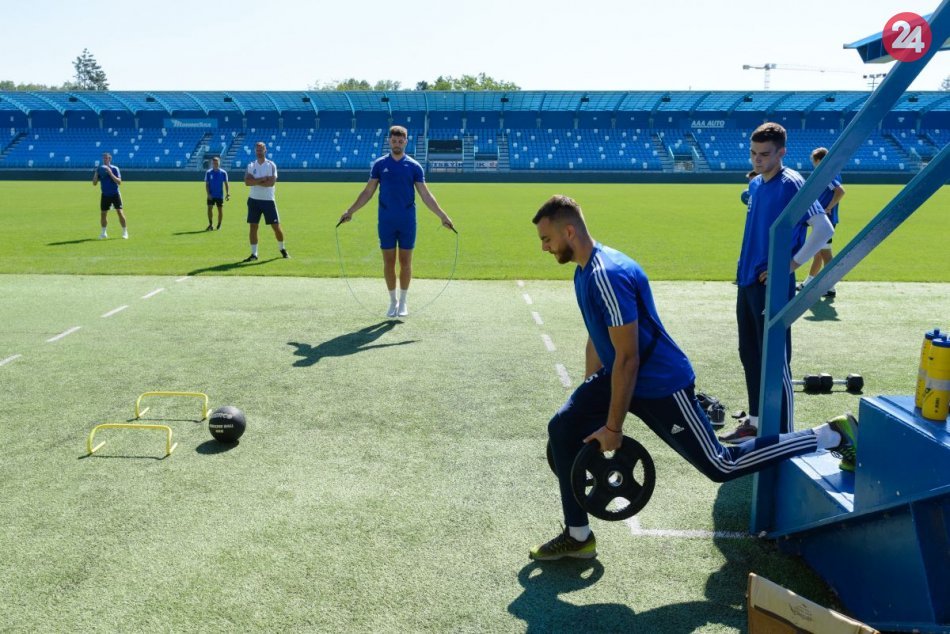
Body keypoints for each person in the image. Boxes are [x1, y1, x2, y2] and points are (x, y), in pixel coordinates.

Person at [528, 194, 857, 561]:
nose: (544, 247)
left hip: (661, 383)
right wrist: (592, 396)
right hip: (621, 373)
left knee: (720, 464)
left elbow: (629, 358)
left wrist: (614, 428)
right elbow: (597, 336)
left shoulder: (607, 275)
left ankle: (830, 434)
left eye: (547, 239)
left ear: (569, 232)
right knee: (563, 427)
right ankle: (578, 536)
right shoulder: (583, 271)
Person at [720, 123, 836, 444]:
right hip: (748, 281)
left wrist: (790, 265)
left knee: (775, 358)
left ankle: (784, 433)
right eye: (753, 153)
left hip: (772, 285)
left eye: (764, 154)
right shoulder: (756, 184)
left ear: (781, 152)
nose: (757, 159)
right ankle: (756, 422)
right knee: (749, 353)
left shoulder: (792, 183)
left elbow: (823, 229)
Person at [338, 125, 455, 317]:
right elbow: (368, 192)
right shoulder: (380, 164)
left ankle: (404, 302)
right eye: (394, 141)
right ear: (389, 141)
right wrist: (350, 211)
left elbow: (425, 194)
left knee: (406, 262)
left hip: (407, 220)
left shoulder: (414, 166)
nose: (397, 144)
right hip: (386, 221)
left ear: (406, 142)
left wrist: (443, 216)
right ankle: (393, 301)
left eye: (401, 141)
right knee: (389, 262)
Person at [797, 147, 845, 298]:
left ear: (818, 160)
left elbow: (840, 191)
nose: (813, 163)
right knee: (818, 251)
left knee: (825, 252)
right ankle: (809, 282)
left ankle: (830, 286)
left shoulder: (826, 174)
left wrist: (828, 208)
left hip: (826, 220)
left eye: (813, 160)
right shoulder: (831, 172)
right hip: (823, 219)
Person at [243, 142, 288, 261]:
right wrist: (262, 179)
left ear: (265, 150)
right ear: (255, 151)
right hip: (253, 200)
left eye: (261, 150)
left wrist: (255, 181)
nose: (259, 152)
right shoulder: (251, 165)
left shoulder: (271, 165)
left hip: (268, 201)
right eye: (257, 150)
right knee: (253, 227)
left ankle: (282, 249)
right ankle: (254, 254)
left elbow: (271, 183)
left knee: (276, 227)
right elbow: (247, 182)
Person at [92, 152, 128, 239]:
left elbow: (119, 182)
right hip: (105, 194)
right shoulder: (101, 169)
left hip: (115, 194)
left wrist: (110, 173)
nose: (104, 160)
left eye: (106, 158)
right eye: (103, 158)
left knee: (120, 212)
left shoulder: (115, 168)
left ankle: (125, 232)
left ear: (110, 159)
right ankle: (103, 233)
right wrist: (96, 173)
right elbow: (94, 183)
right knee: (103, 214)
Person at [205, 156, 230, 231]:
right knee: (209, 209)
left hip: (219, 195)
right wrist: (208, 194)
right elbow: (207, 184)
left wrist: (227, 193)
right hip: (211, 195)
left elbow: (226, 183)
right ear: (212, 163)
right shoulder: (208, 172)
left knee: (220, 210)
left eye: (216, 163)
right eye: (214, 163)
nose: (215, 164)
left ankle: (219, 225)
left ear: (219, 163)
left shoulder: (223, 172)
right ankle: (210, 224)